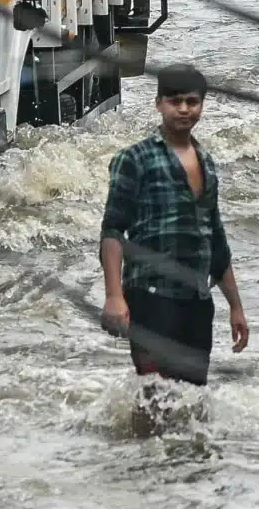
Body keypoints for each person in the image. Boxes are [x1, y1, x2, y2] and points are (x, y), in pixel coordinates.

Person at [99, 63, 248, 385]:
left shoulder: (207, 162)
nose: (183, 109)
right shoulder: (134, 159)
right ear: (158, 103)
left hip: (197, 301)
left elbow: (216, 239)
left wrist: (236, 306)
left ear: (202, 106)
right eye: (174, 101)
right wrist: (113, 296)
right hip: (149, 296)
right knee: (154, 391)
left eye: (192, 102)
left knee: (191, 398)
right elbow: (112, 230)